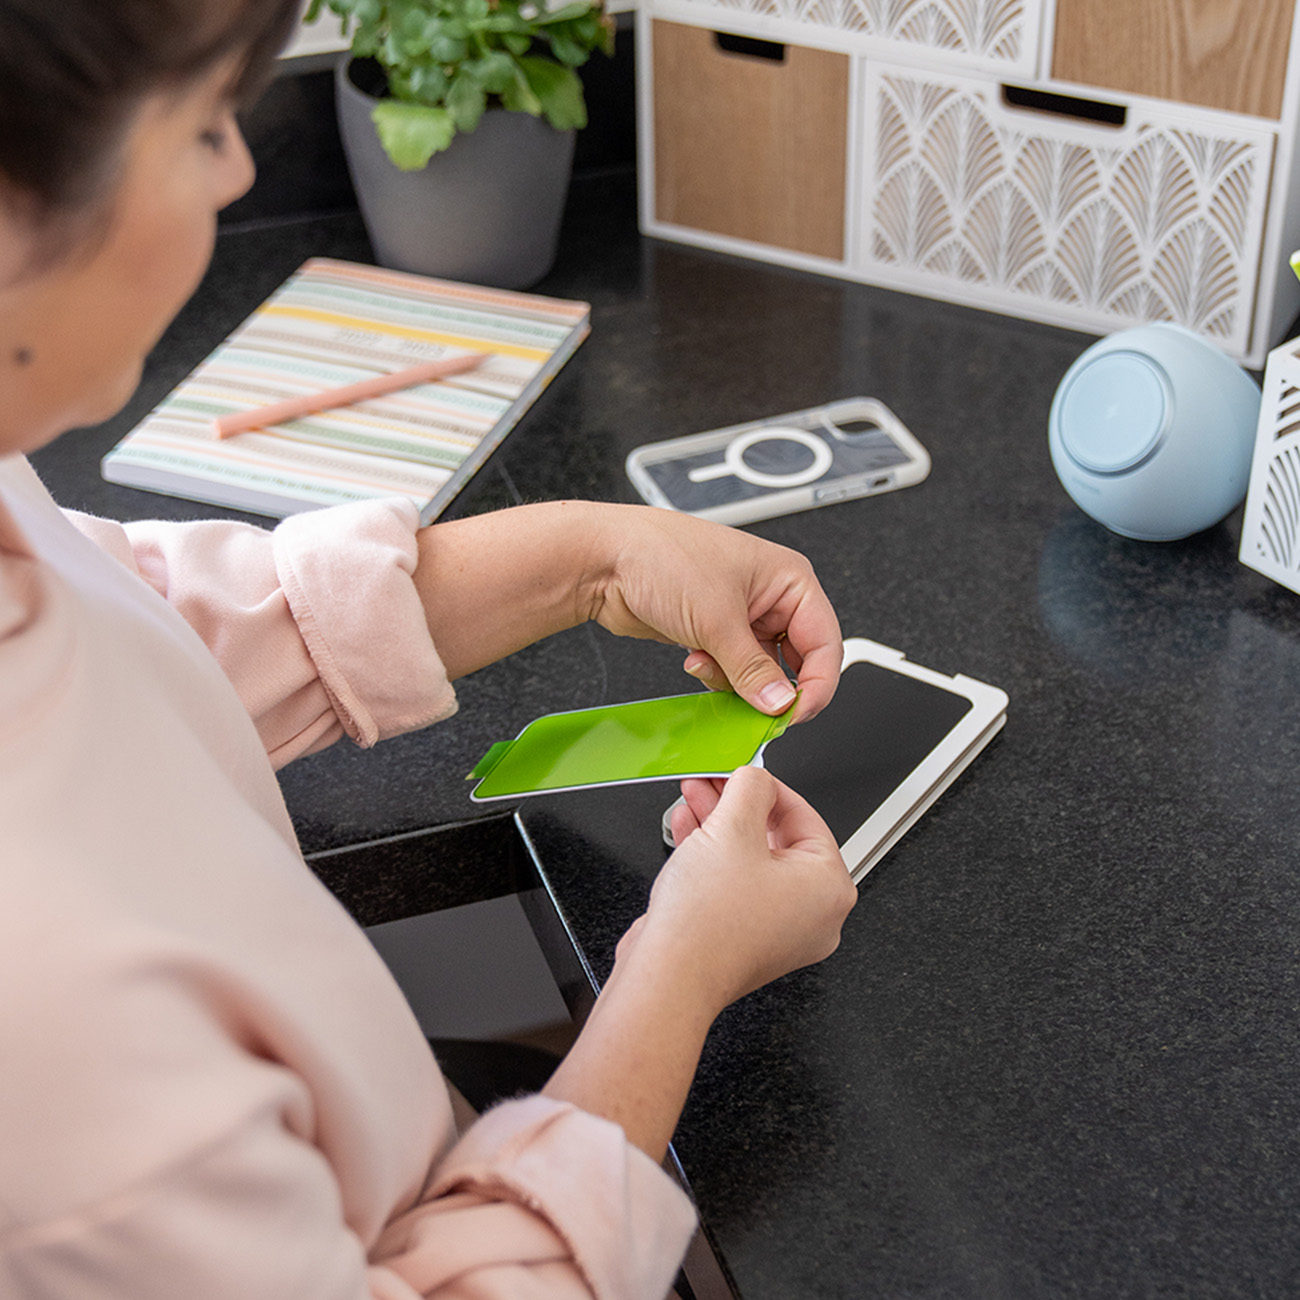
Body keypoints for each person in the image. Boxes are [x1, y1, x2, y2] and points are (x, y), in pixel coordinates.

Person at [0, 2, 858, 1296]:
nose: (240, 168)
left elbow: (135, 631)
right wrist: (678, 977)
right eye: (201, 124)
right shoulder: (58, 1050)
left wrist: (593, 554)